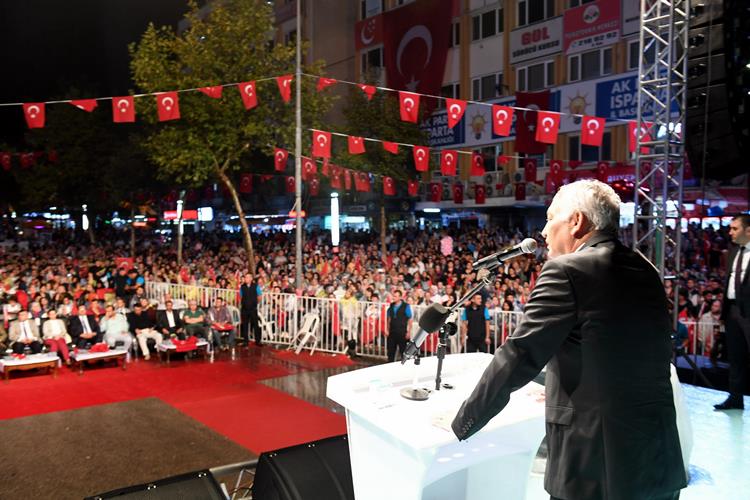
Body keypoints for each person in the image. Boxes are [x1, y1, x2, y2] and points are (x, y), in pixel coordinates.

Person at [451, 180, 686, 500]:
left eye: (550, 218)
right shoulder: (645, 269)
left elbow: (519, 355)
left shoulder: (567, 270)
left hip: (595, 466)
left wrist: (463, 422)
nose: (544, 231)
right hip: (658, 460)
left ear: (576, 221)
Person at [715, 214, 750, 410]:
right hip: (733, 310)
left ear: (748, 230)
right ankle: (735, 398)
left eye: (735, 228)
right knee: (735, 357)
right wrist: (724, 313)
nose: (730, 232)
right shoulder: (733, 251)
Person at [385, 290, 412, 362]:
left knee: (403, 351)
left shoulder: (406, 306)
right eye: (393, 296)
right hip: (392, 332)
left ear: (400, 297)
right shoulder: (391, 306)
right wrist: (387, 329)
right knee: (390, 351)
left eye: (396, 296)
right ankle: (390, 364)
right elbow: (389, 319)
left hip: (402, 332)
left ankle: (404, 365)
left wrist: (408, 332)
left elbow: (410, 319)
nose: (394, 297)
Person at [240, 274, 262, 346]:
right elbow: (241, 296)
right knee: (245, 325)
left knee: (255, 324)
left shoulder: (256, 286)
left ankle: (258, 340)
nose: (246, 279)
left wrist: (254, 303)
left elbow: (259, 296)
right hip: (244, 308)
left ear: (251, 278)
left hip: (253, 308)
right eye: (245, 277)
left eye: (247, 277)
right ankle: (245, 341)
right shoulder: (242, 286)